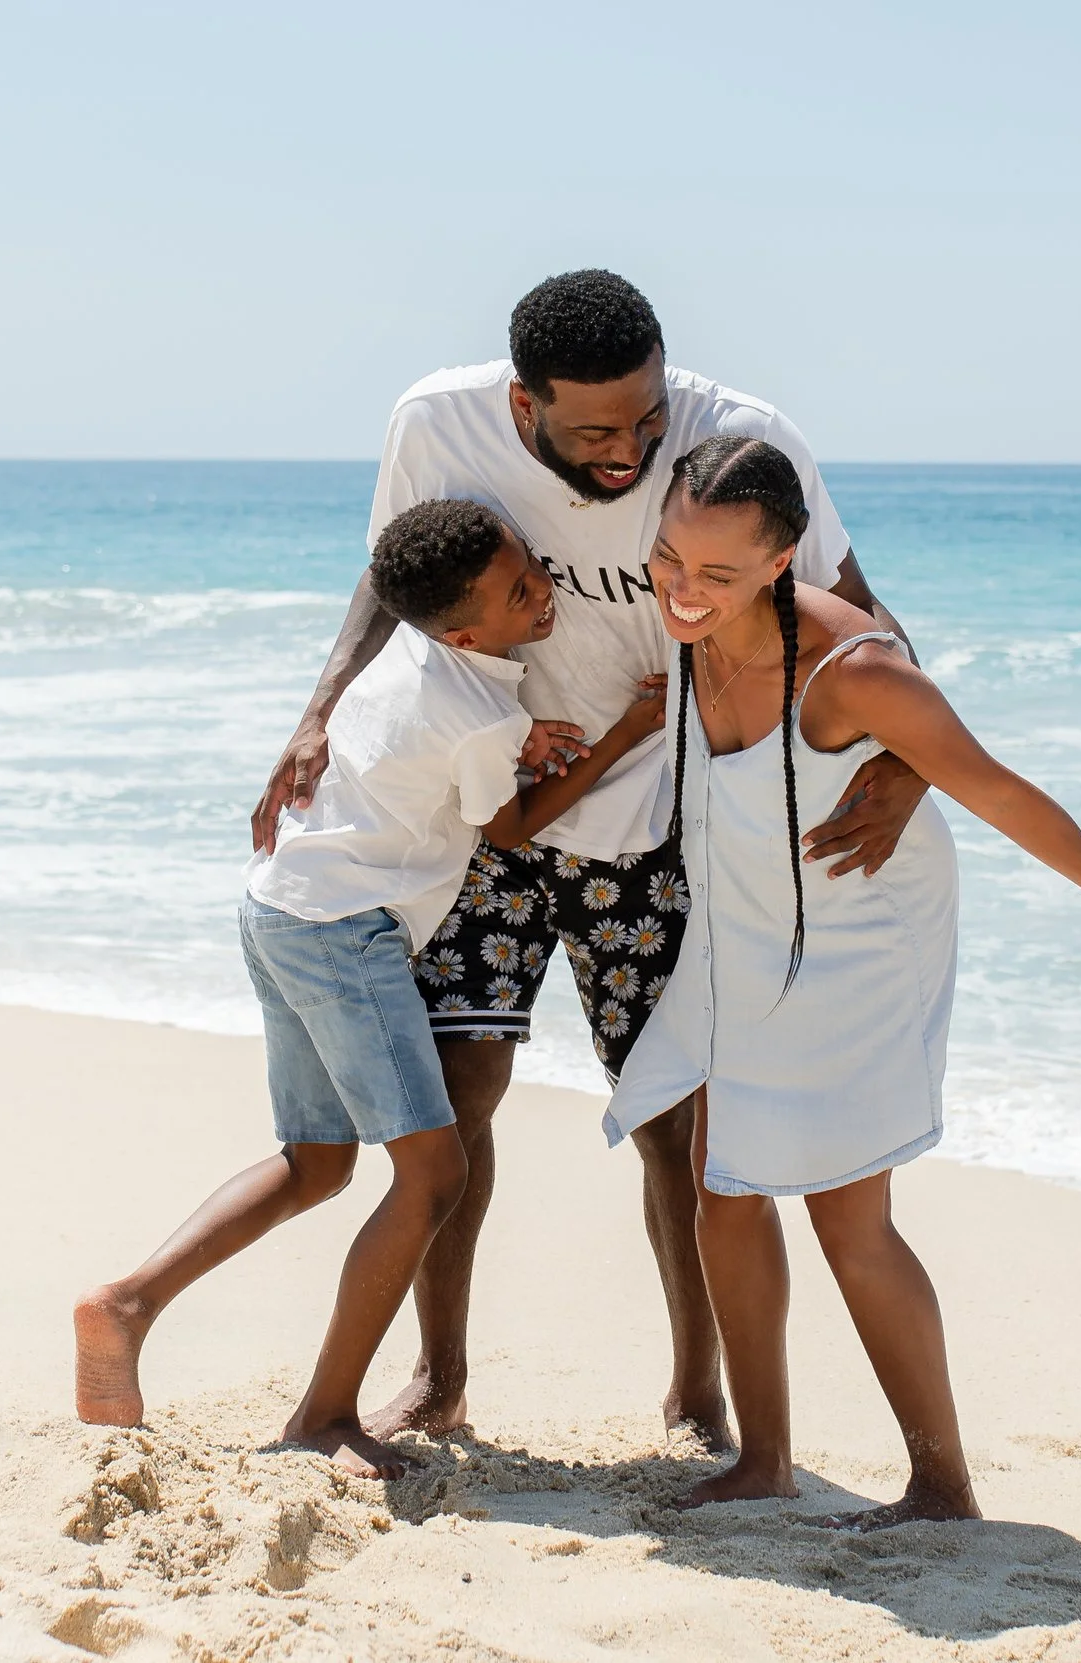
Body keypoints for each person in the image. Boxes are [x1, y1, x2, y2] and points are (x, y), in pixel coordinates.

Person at [252, 271, 923, 1449]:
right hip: (486, 823)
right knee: (457, 1110)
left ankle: (695, 1392)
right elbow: (393, 571)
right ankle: (441, 1377)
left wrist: (909, 764)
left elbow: (860, 615)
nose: (631, 452)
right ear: (522, 408)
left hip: (657, 831)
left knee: (676, 1121)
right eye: (596, 431)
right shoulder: (437, 422)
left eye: (646, 417)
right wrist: (319, 711)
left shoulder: (737, 442)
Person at [603, 436, 1081, 1528]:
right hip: (745, 922)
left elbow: (1000, 791)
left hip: (861, 937)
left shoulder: (856, 670)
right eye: (667, 561)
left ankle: (941, 1482)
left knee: (849, 1214)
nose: (683, 593)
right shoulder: (690, 619)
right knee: (722, 1183)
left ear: (787, 559)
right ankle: (765, 1459)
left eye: (718, 575)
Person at [73, 499, 665, 1477]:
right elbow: (508, 829)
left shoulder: (410, 659)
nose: (545, 590)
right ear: (467, 629)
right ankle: (325, 1412)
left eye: (535, 568)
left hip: (278, 910)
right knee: (432, 1174)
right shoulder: (486, 712)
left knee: (315, 1162)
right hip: (346, 936)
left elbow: (437, 755)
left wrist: (522, 741)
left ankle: (127, 1302)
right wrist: (627, 733)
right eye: (522, 589)